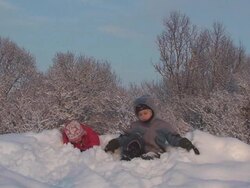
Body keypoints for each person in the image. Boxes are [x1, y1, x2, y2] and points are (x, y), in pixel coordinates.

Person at [104, 95, 200, 160]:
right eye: (140, 114)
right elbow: (125, 137)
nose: (143, 116)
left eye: (145, 113)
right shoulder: (135, 125)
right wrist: (115, 143)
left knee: (150, 152)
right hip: (137, 151)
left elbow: (172, 137)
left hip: (155, 152)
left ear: (152, 111)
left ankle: (150, 156)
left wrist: (183, 142)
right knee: (135, 136)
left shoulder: (161, 125)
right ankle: (128, 155)